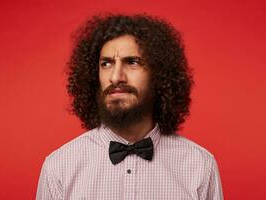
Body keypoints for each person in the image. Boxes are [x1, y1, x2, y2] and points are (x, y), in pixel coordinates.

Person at [36, 13, 224, 200]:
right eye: (106, 63)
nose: (116, 76)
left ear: (159, 75)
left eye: (132, 62)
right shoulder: (59, 168)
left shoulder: (200, 166)